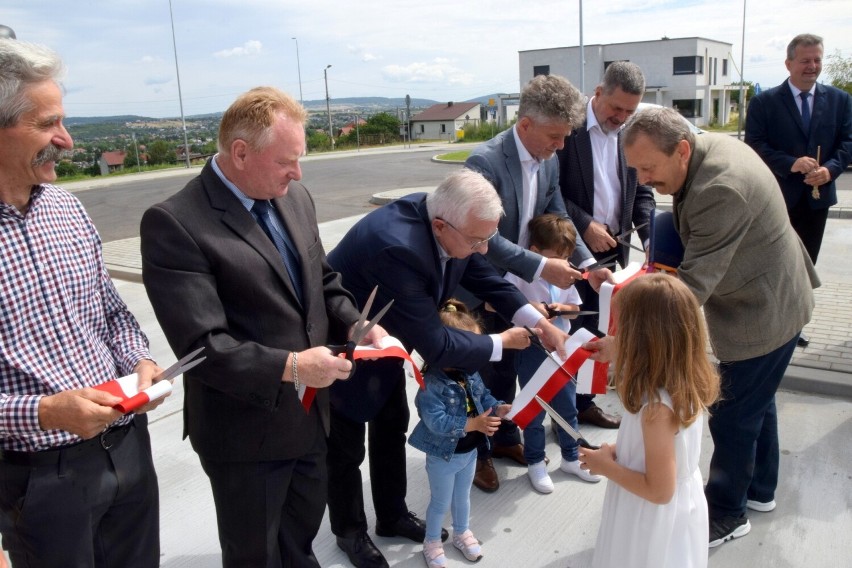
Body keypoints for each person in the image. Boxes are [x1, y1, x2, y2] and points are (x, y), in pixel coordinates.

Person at [140, 86, 386, 567]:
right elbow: (203, 346)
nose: (297, 173)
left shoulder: (294, 197)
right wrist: (293, 365)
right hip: (245, 435)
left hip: (312, 418)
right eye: (286, 161)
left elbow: (324, 279)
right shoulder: (176, 223)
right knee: (254, 554)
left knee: (299, 544)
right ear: (239, 153)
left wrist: (359, 324)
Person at [591, 106, 819, 548]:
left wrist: (628, 341)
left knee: (734, 414)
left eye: (648, 168)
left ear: (680, 149)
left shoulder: (720, 188)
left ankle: (729, 512)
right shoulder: (702, 152)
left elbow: (689, 290)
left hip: (761, 312)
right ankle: (761, 491)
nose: (642, 179)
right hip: (770, 294)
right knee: (758, 401)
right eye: (635, 168)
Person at [326, 169, 567, 568]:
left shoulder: (450, 222)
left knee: (390, 427)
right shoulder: (398, 248)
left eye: (488, 237)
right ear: (440, 226)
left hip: (391, 343)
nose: (485, 248)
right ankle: (350, 532)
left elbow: (489, 281)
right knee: (346, 448)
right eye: (478, 240)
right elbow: (437, 345)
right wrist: (501, 342)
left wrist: (539, 324)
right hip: (346, 351)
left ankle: (391, 515)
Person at [0, 39, 163, 566]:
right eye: (48, 124)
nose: (66, 141)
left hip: (128, 447)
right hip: (40, 477)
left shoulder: (67, 209)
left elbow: (112, 313)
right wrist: (46, 411)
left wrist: (136, 358)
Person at [463, 74, 610, 490]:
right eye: (554, 136)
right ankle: (477, 455)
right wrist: (542, 268)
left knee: (519, 372)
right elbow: (483, 240)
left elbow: (557, 211)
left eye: (566, 137)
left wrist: (587, 262)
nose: (560, 146)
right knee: (488, 377)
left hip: (524, 289)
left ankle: (507, 439)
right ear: (524, 125)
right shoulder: (484, 163)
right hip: (485, 290)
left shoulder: (549, 159)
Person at [580, 273, 720, 568]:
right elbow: (667, 453)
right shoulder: (683, 380)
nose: (616, 333)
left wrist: (605, 466)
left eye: (623, 329)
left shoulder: (655, 409)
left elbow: (659, 490)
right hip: (677, 508)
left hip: (650, 516)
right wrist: (621, 451)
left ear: (643, 341)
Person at [557, 61, 655, 428]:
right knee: (574, 329)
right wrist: (585, 224)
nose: (622, 117)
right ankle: (564, 409)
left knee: (601, 329)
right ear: (598, 93)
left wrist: (649, 238)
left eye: (631, 111)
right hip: (573, 250)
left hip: (616, 248)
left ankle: (583, 404)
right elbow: (552, 193)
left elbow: (642, 191)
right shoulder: (570, 130)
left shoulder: (631, 133)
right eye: (617, 108)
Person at [745, 33, 852, 347]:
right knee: (774, 266)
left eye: (817, 59)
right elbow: (754, 146)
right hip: (776, 200)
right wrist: (790, 163)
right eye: (805, 60)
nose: (813, 66)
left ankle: (794, 326)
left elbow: (848, 144)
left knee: (805, 268)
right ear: (788, 62)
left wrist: (829, 169)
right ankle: (769, 325)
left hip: (817, 202)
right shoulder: (765, 102)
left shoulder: (839, 100)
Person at [408, 299, 511, 567]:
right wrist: (473, 425)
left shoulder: (470, 373)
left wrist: (498, 407)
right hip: (444, 454)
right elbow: (435, 422)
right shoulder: (431, 384)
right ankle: (431, 541)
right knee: (440, 501)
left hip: (469, 451)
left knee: (463, 496)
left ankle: (462, 532)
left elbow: (483, 396)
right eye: (471, 348)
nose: (476, 355)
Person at [504, 214, 601, 492]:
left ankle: (571, 457)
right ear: (535, 253)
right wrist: (533, 307)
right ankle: (535, 461)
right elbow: (502, 305)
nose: (564, 264)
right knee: (535, 409)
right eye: (558, 257)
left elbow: (575, 307)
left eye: (567, 257)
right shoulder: (518, 276)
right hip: (533, 349)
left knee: (567, 405)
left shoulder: (564, 277)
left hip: (563, 349)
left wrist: (560, 310)